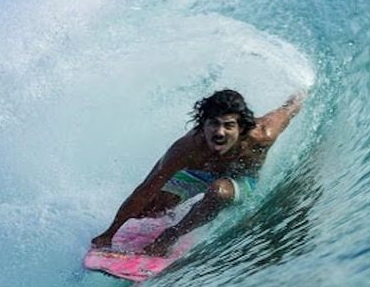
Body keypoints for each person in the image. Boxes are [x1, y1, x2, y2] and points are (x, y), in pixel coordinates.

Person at [90, 88, 304, 257]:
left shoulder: (263, 134)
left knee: (219, 191)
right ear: (203, 125)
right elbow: (146, 188)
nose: (220, 132)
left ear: (241, 127)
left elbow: (290, 107)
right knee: (149, 208)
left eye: (228, 125)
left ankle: (172, 234)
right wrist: (109, 233)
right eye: (213, 124)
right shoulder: (186, 149)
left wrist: (302, 91)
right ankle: (172, 212)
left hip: (241, 179)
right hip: (200, 174)